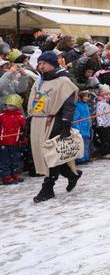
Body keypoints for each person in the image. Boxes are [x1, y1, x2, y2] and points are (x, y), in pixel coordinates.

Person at [30, 51, 83, 203]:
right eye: (39, 64)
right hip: (38, 122)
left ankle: (48, 188)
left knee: (49, 154)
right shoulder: (39, 81)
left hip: (54, 121)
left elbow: (68, 106)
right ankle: (72, 175)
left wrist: (65, 124)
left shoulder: (63, 82)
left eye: (43, 64)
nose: (40, 66)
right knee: (49, 154)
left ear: (52, 64)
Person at [0, 94, 27, 185]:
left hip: (15, 143)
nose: (8, 106)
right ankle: (7, 177)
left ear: (16, 106)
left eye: (11, 105)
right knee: (5, 160)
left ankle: (15, 175)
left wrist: (23, 140)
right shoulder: (2, 116)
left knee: (15, 159)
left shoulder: (20, 117)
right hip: (3, 142)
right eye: (8, 104)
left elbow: (24, 130)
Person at [73, 91, 93, 164]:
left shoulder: (86, 105)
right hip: (81, 128)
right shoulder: (77, 106)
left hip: (87, 128)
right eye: (85, 96)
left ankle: (86, 157)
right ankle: (81, 159)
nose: (87, 98)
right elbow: (75, 118)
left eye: (88, 96)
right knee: (82, 144)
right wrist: (77, 129)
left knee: (86, 143)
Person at [95, 85, 110, 160]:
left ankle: (109, 151)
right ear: (101, 95)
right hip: (103, 125)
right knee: (104, 139)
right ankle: (105, 153)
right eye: (106, 94)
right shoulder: (100, 104)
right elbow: (98, 114)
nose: (108, 96)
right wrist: (100, 124)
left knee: (108, 138)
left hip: (108, 124)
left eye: (109, 94)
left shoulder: (107, 103)